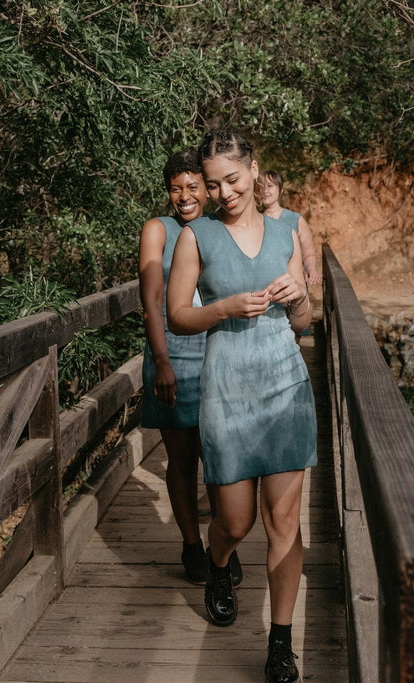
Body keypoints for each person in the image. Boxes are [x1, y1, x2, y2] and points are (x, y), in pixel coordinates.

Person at [167, 129, 317, 683]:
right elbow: (178, 313)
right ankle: (219, 563)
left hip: (285, 386)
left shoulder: (289, 231)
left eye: (232, 180)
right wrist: (223, 307)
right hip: (227, 386)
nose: (224, 193)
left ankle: (281, 644)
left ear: (254, 171)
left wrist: (301, 299)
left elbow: (303, 323)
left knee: (284, 521)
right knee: (234, 521)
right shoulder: (196, 238)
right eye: (213, 185)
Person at [138, 149, 242, 586]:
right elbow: (151, 300)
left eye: (194, 186)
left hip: (218, 353)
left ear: (208, 188)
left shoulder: (219, 227)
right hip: (173, 359)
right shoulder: (156, 230)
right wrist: (162, 362)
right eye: (176, 188)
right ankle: (191, 544)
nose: (185, 196)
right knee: (181, 459)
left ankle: (222, 544)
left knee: (219, 457)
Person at [261, 170, 322, 287]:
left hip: (295, 287)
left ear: (280, 190)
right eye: (261, 186)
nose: (265, 190)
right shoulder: (254, 222)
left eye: (270, 186)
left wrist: (311, 269)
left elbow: (308, 254)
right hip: (266, 289)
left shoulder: (296, 220)